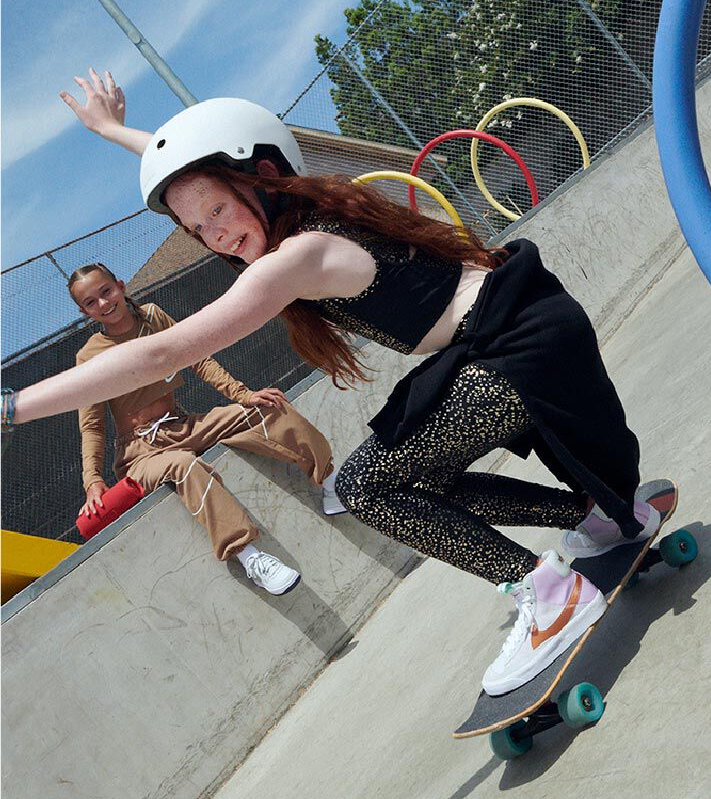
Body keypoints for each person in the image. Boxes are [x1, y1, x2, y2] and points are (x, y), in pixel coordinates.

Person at [3, 68, 660, 694]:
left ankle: (546, 595)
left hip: (515, 350)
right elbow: (207, 157)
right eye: (199, 230)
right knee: (413, 475)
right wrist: (117, 133)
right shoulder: (302, 214)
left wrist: (13, 406)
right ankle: (593, 516)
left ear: (260, 179)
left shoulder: (297, 254)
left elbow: (160, 353)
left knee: (364, 487)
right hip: (511, 337)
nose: (217, 235)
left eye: (218, 212)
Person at [69, 261, 345, 595]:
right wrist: (93, 482)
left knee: (268, 407)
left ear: (121, 286)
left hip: (181, 426)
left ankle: (331, 483)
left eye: (105, 291)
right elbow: (93, 426)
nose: (103, 303)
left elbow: (197, 359)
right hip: (140, 452)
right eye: (90, 302)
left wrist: (244, 395)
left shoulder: (154, 318)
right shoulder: (89, 357)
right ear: (85, 312)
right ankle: (250, 557)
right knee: (184, 465)